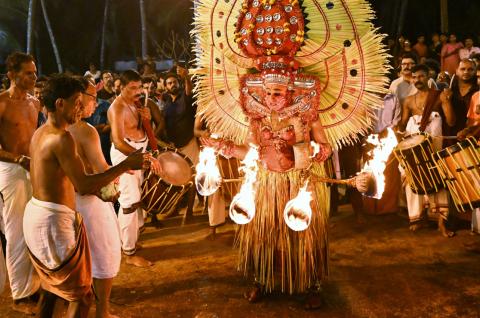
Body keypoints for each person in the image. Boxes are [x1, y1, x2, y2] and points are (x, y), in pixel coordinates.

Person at [23, 74, 147, 317]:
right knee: (82, 296)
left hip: (38, 213)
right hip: (52, 220)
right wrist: (124, 166)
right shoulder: (61, 138)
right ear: (60, 104)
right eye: (77, 102)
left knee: (53, 290)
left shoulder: (41, 132)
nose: (81, 108)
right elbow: (84, 185)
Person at [67, 77, 121, 318]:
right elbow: (100, 171)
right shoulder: (86, 131)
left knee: (77, 261)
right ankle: (103, 311)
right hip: (91, 203)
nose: (95, 104)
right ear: (78, 99)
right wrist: (117, 176)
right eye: (92, 97)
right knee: (104, 256)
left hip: (68, 202)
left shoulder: (53, 128)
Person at [108, 70, 162, 267]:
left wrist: (145, 119)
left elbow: (142, 129)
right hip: (127, 155)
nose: (138, 91)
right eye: (132, 88)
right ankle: (128, 252)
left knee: (138, 198)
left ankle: (132, 240)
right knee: (129, 202)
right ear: (121, 87)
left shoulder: (137, 103)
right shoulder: (118, 108)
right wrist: (143, 156)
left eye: (139, 87)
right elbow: (118, 141)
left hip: (139, 152)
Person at [0, 52, 41, 315]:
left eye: (35, 72)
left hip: (33, 168)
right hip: (10, 169)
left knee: (34, 226)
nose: (34, 77)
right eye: (29, 73)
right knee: (16, 230)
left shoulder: (35, 103)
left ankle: (34, 285)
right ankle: (20, 294)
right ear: (12, 75)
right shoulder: (1, 103)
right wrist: (17, 158)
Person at [397, 64, 456, 237]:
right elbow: (402, 124)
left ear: (428, 76)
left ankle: (441, 223)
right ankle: (418, 218)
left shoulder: (438, 97)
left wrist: (447, 100)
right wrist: (396, 127)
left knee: (440, 181)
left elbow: (451, 122)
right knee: (412, 179)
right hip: (414, 149)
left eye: (421, 76)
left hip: (435, 148)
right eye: (414, 77)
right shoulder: (408, 101)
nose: (417, 80)